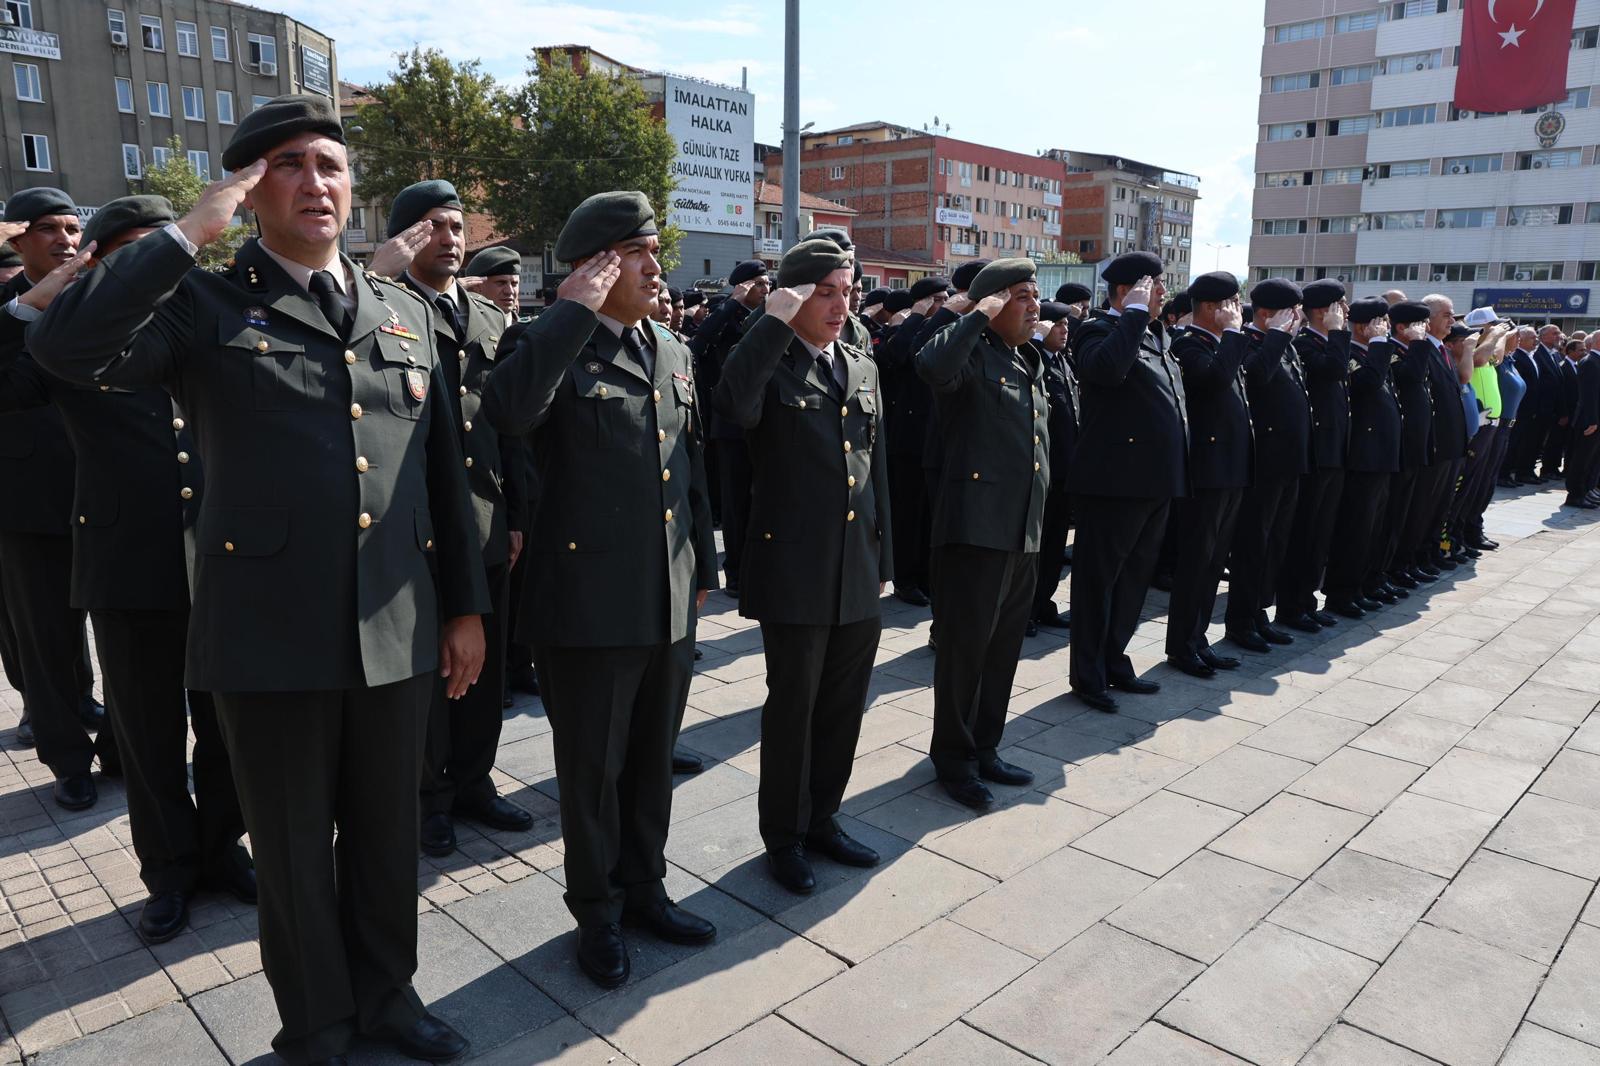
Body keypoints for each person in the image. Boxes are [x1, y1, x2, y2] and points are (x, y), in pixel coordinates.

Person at [29, 95, 489, 1065]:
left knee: (384, 836)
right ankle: (316, 1025)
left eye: (329, 163)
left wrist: (465, 608)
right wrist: (186, 234)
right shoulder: (200, 301)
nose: (315, 181)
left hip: (396, 624)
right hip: (266, 633)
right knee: (287, 852)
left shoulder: (399, 310)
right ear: (249, 186)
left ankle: (390, 999)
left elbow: (438, 474)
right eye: (288, 164)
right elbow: (65, 350)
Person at [0, 195, 253, 945]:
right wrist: (27, 302)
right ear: (104, 265)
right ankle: (169, 871)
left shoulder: (210, 322)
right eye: (138, 254)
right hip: (127, 564)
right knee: (146, 735)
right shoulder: (65, 340)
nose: (158, 271)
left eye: (166, 252)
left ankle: (220, 850)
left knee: (225, 727)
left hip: (221, 561)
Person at [482, 190, 719, 989]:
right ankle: (597, 913)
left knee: (651, 762)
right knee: (592, 775)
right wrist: (572, 313)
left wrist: (701, 571)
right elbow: (511, 414)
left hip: (664, 595)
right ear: (598, 265)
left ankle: (646, 888)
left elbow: (689, 474)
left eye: (655, 251)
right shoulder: (544, 343)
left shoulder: (674, 350)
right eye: (640, 254)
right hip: (584, 606)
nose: (659, 268)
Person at [717, 238, 891, 894]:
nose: (841, 305)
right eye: (826, 292)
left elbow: (878, 473)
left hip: (857, 564)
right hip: (793, 567)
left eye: (847, 291)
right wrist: (769, 321)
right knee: (794, 707)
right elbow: (735, 407)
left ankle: (824, 818)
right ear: (792, 295)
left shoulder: (860, 361)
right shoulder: (767, 359)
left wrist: (885, 554)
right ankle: (782, 836)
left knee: (844, 705)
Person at [371, 180, 535, 860]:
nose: (449, 238)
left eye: (457, 227)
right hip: (416, 527)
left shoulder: (492, 320)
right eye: (434, 226)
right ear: (407, 236)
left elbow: (512, 428)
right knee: (431, 672)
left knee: (485, 668)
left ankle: (473, 781)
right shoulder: (381, 309)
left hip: (486, 519)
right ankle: (426, 797)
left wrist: (518, 513)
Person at [915, 258, 1047, 809]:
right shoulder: (967, 352)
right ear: (993, 303)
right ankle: (954, 757)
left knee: (1003, 651)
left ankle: (985, 745)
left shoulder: (1027, 359)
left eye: (1034, 295)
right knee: (966, 653)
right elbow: (932, 367)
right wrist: (973, 314)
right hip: (976, 530)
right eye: (1021, 296)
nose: (1034, 306)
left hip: (1021, 529)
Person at [0, 188, 113, 810]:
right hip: (28, 504)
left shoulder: (101, 300)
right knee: (45, 639)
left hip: (108, 494)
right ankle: (67, 758)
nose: (67, 239)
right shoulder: (5, 309)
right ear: (18, 239)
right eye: (48, 229)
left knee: (117, 628)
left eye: (73, 227)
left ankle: (102, 723)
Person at [1067, 250, 1188, 709]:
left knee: (1134, 579)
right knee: (1099, 583)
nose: (1163, 292)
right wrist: (1133, 314)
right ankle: (1089, 675)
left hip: (1155, 480)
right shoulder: (1097, 330)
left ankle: (1115, 660)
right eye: (1153, 284)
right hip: (1113, 483)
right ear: (1125, 291)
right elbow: (1107, 370)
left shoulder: (1155, 335)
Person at [1164, 271, 1251, 676]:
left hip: (1230, 468)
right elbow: (1214, 383)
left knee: (1215, 563)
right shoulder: (1188, 345)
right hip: (1206, 470)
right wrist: (1233, 336)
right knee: (1196, 563)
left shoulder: (1220, 344)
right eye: (1231, 303)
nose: (1237, 311)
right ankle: (1182, 645)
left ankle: (1198, 640)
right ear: (1214, 308)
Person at [1224, 280, 1306, 653]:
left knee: (1276, 542)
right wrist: (1274, 337)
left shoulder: (1283, 344)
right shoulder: (1251, 341)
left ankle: (1259, 612)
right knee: (1253, 544)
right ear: (1266, 314)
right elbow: (1255, 378)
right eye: (1292, 312)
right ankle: (1240, 620)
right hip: (1262, 462)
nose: (1298, 318)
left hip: (1287, 461)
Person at [690, 259, 769, 595]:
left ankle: (758, 566)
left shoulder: (769, 317)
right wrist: (734, 301)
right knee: (736, 504)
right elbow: (700, 343)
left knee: (760, 501)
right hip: (730, 426)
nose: (767, 289)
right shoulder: (725, 314)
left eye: (768, 283)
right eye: (759, 283)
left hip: (761, 421)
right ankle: (735, 572)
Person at [1278, 280, 1350, 631]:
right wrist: (1337, 334)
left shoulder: (1326, 342)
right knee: (1305, 534)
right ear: (1324, 311)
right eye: (1341, 306)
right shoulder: (1306, 344)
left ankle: (1306, 600)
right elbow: (1333, 371)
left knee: (1320, 533)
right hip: (1317, 452)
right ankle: (1292, 605)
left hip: (1333, 451)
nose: (1346, 313)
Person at [1324, 298, 1402, 614]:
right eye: (1378, 322)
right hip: (1362, 455)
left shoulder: (1374, 353)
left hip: (1380, 455)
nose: (1384, 327)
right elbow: (1367, 385)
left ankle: (1359, 586)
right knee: (1355, 529)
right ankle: (1342, 592)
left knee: (1372, 528)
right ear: (1360, 326)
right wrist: (1381, 343)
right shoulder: (1355, 353)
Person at [878, 275, 949, 608]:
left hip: (937, 438)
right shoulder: (900, 330)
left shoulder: (947, 330)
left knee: (930, 516)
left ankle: (925, 577)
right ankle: (905, 579)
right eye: (936, 299)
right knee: (909, 515)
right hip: (907, 440)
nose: (944, 304)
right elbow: (901, 354)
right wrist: (918, 315)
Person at [1028, 301, 1078, 633]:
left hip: (1066, 471)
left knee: (1055, 546)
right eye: (1056, 324)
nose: (1063, 329)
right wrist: (1033, 340)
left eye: (1066, 324)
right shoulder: (1032, 361)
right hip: (1041, 470)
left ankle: (1043, 602)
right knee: (1035, 548)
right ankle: (1024, 610)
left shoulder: (1064, 362)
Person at [1565, 335, 1600, 508]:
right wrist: (1593, 420)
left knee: (1592, 460)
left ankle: (1586, 490)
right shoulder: (1590, 362)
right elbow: (1589, 396)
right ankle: (1575, 495)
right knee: (1582, 459)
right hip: (1589, 420)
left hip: (1595, 419)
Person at [462, 245, 522, 322]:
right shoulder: (462, 329)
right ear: (477, 287)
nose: (509, 291)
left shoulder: (529, 331)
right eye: (501, 283)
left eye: (514, 284)